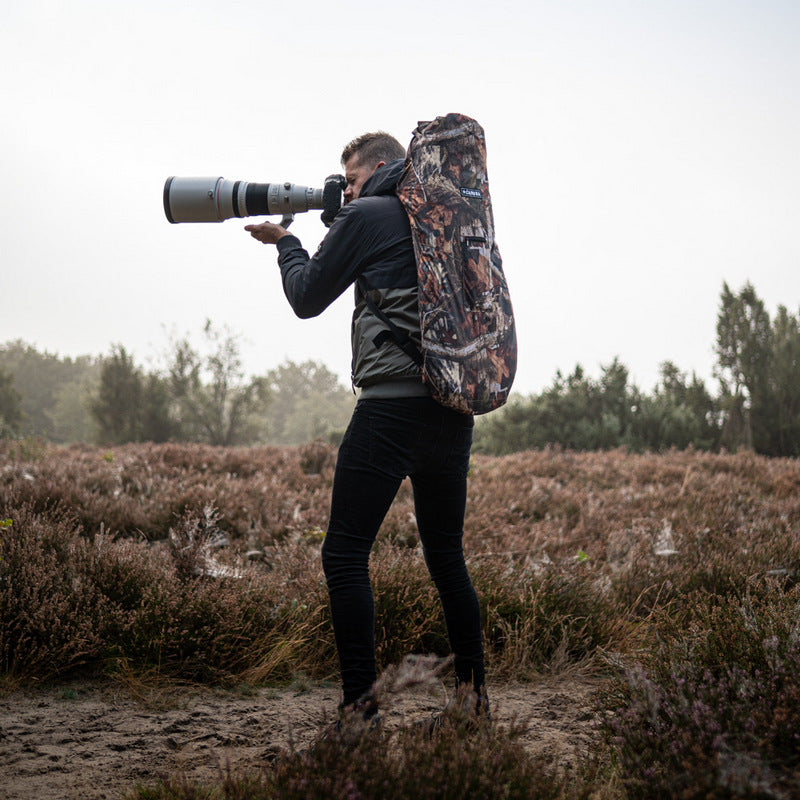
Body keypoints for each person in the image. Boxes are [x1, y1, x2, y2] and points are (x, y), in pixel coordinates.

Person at [245, 131, 486, 720]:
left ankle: (360, 713)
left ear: (378, 167)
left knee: (345, 554)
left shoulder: (369, 214)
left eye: (349, 181)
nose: (345, 192)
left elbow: (306, 297)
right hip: (451, 410)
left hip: (389, 408)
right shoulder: (440, 219)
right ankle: (473, 703)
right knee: (446, 557)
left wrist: (287, 243)